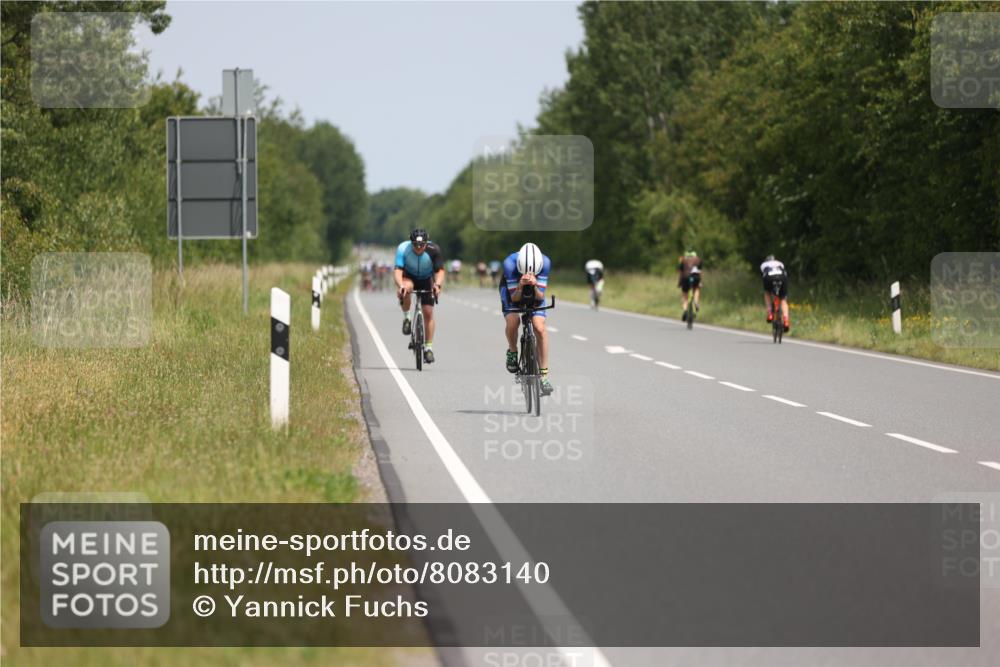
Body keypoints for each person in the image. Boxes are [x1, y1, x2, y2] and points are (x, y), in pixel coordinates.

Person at [500, 242, 553, 396]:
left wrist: (535, 286)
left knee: (539, 327)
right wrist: (519, 286)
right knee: (513, 321)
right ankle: (512, 350)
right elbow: (514, 299)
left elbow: (540, 297)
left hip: (535, 292)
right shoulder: (509, 264)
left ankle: (544, 376)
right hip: (512, 290)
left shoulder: (545, 263)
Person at [394, 229, 445, 364]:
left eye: (421, 245)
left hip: (426, 279)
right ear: (411, 243)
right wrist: (401, 285)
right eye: (415, 245)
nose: (418, 248)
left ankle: (428, 348)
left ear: (426, 243)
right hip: (409, 278)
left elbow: (440, 271)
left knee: (428, 312)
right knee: (406, 289)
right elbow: (398, 270)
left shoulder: (434, 250)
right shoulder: (403, 249)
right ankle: (407, 318)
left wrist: (437, 285)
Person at [760, 254, 790, 332]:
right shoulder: (780, 263)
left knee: (767, 292)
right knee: (783, 299)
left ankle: (770, 313)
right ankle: (786, 320)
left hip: (769, 277)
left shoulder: (763, 264)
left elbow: (762, 275)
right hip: (782, 277)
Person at [677, 250, 702, 321]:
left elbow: (681, 273)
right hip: (695, 277)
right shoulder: (698, 260)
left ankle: (685, 311)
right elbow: (700, 272)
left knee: (685, 296)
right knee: (696, 288)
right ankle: (696, 302)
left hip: (685, 278)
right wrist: (700, 282)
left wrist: (679, 283)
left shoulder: (683, 260)